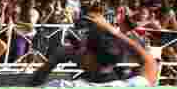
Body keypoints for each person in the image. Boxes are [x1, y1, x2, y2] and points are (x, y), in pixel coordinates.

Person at [29, 13, 159, 87]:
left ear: (91, 57)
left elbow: (32, 86)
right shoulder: (133, 85)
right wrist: (112, 31)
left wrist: (52, 62)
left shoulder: (62, 86)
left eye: (84, 48)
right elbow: (150, 62)